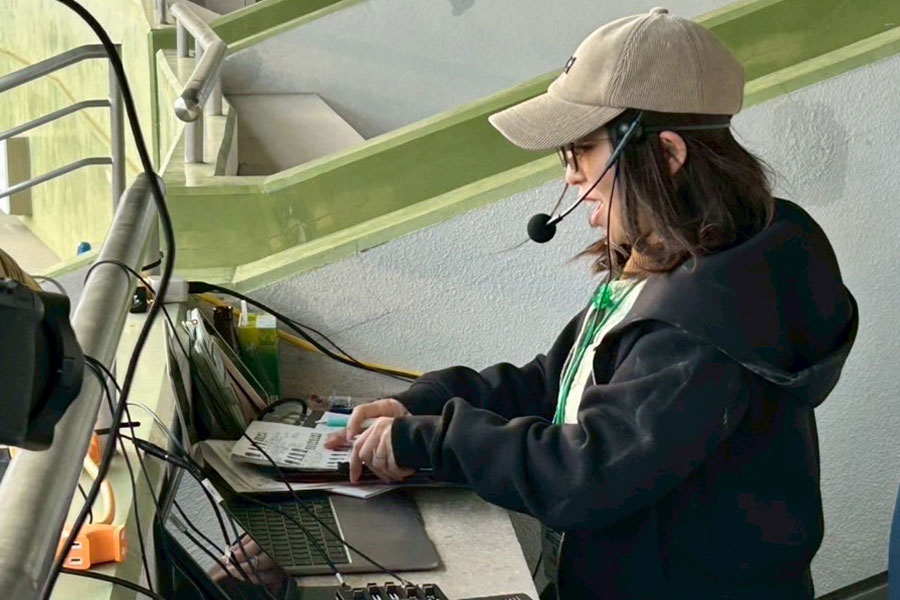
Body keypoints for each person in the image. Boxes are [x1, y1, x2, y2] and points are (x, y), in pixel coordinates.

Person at [325, 8, 858, 599]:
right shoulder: (669, 265)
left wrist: (436, 441)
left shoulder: (703, 319)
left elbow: (587, 474)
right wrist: (422, 404)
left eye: (580, 151)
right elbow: (553, 382)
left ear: (664, 156)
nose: (572, 177)